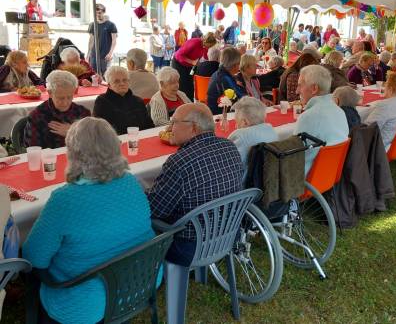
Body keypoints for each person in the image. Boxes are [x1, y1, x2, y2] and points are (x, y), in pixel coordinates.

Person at [23, 117, 157, 324]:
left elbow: (34, 258)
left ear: (73, 153)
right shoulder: (132, 182)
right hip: (139, 283)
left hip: (84, 304)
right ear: (115, 145)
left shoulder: (64, 198)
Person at [146, 103, 243, 266]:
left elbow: (156, 209)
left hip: (191, 247)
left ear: (194, 128)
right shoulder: (230, 147)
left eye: (174, 122)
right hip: (229, 235)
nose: (170, 128)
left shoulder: (180, 161)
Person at [293, 65, 349, 175]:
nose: (297, 91)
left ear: (314, 89)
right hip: (330, 172)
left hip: (307, 176)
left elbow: (295, 154)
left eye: (300, 85)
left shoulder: (309, 116)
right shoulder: (339, 111)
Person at [23, 70, 90, 149]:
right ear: (50, 93)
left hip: (79, 159)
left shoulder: (83, 113)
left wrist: (73, 133)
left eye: (69, 97)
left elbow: (93, 144)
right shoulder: (37, 116)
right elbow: (33, 150)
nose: (65, 103)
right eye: (61, 98)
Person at [229, 97, 278, 180]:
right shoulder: (271, 130)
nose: (235, 126)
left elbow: (231, 168)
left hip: (248, 188)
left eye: (237, 121)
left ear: (245, 122)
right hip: (271, 182)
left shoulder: (239, 136)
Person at [93, 66, 153, 135]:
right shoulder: (102, 102)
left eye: (125, 80)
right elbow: (100, 130)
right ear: (109, 85)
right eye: (116, 81)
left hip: (142, 140)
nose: (122, 83)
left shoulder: (138, 101)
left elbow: (149, 125)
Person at [364, 72, 396, 150]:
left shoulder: (386, 105)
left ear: (390, 89)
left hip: (381, 148)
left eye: (386, 86)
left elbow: (368, 128)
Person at [172, 32, 217, 101]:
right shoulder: (195, 42)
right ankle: (181, 103)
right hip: (179, 63)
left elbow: (205, 56)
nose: (209, 47)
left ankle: (190, 102)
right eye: (210, 45)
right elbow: (179, 55)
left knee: (190, 84)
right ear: (206, 41)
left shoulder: (205, 46)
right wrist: (192, 61)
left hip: (190, 65)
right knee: (183, 85)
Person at [207, 47, 245, 115]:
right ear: (234, 64)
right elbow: (241, 98)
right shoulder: (225, 78)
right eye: (238, 64)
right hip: (221, 115)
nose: (239, 67)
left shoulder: (219, 73)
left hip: (214, 111)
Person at [87, 4, 117, 76]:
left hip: (105, 55)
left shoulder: (111, 25)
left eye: (100, 13)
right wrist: (88, 54)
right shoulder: (92, 25)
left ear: (104, 12)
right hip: (94, 55)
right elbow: (91, 40)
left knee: (105, 76)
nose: (98, 14)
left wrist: (110, 53)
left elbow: (114, 41)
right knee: (93, 75)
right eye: (96, 13)